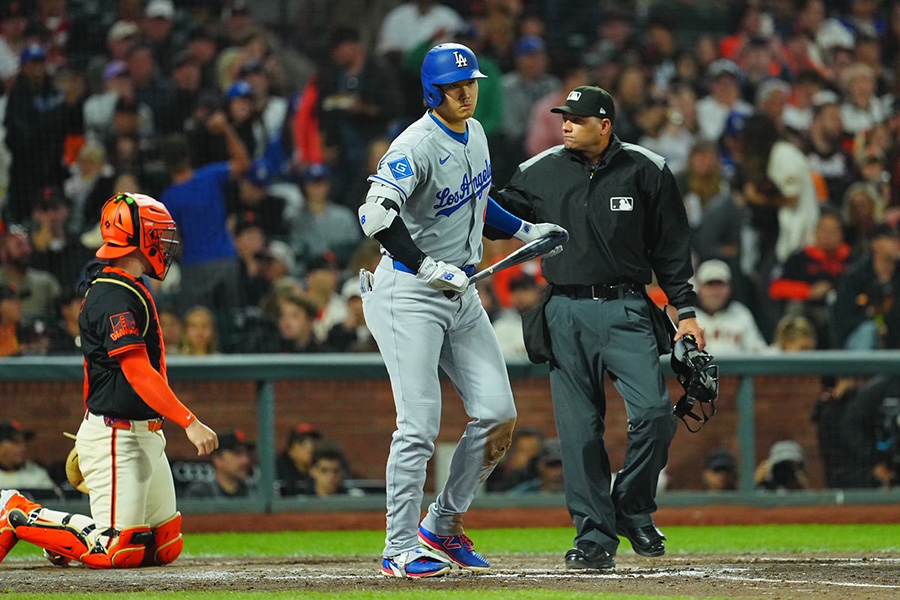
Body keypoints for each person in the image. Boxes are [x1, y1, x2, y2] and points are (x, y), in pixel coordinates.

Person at [358, 43, 556, 578]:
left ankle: (442, 524)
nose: (466, 93)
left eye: (471, 83)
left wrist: (525, 230)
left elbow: (477, 201)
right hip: (407, 292)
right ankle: (399, 548)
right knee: (418, 425)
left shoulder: (476, 132)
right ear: (432, 91)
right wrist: (424, 265)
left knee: (498, 415)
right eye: (455, 86)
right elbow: (376, 215)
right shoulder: (415, 144)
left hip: (460, 288)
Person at [493, 85, 705, 570]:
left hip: (627, 305)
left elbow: (671, 248)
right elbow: (493, 221)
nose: (566, 125)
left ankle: (630, 505)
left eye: (578, 119)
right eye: (564, 118)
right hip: (564, 310)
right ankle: (593, 537)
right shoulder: (538, 170)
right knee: (580, 434)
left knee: (655, 415)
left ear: (605, 124)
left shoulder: (647, 168)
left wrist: (687, 312)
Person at [0, 192, 218, 568]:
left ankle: (65, 539)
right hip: (117, 434)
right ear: (138, 238)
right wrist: (189, 421)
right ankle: (16, 513)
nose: (165, 244)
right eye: (158, 235)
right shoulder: (111, 295)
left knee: (164, 545)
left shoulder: (127, 286)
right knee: (116, 548)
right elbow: (137, 371)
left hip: (145, 432)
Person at [183, 429, 255, 498]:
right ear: (217, 459)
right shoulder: (200, 494)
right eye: (237, 453)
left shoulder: (255, 492)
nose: (245, 460)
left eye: (246, 454)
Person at [0, 421, 61, 501]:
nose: (22, 448)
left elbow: (57, 501)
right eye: (15, 443)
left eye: (23, 443)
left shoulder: (37, 474)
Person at [276, 423, 321, 496]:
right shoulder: (277, 471)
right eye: (305, 443)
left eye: (315, 443)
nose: (311, 448)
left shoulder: (321, 468)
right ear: (291, 448)